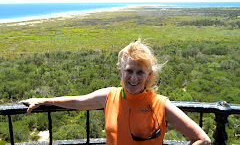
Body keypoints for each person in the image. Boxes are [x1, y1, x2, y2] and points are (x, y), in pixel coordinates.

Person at [20, 39, 211, 145]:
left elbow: (203, 139)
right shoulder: (109, 96)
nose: (134, 78)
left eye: (140, 72)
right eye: (129, 71)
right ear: (120, 71)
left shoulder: (160, 104)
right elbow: (78, 102)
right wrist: (44, 100)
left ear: (149, 75)